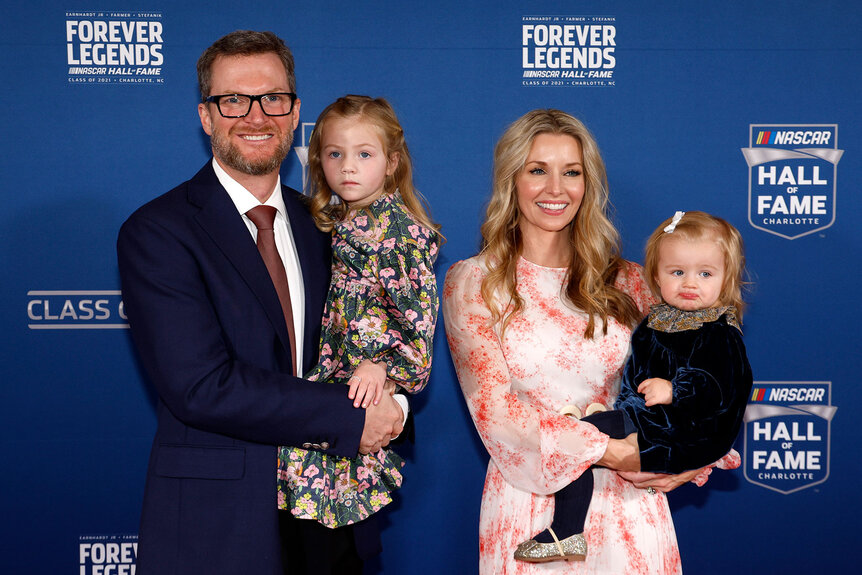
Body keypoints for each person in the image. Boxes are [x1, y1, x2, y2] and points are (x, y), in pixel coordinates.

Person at [117, 31, 405, 575]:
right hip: (221, 527)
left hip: (333, 518)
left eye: (273, 98)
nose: (256, 116)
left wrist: (395, 402)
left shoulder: (330, 225)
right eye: (234, 101)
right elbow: (200, 386)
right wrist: (349, 416)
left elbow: (382, 334)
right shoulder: (157, 232)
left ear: (295, 114)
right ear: (206, 116)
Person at [443, 109, 738, 574]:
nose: (555, 188)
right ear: (511, 180)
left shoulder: (633, 282)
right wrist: (615, 451)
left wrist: (692, 456)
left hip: (630, 509)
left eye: (572, 172)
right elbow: (497, 415)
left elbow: (709, 374)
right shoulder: (474, 283)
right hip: (531, 510)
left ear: (589, 183)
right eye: (537, 170)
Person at [512, 210, 753, 563]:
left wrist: (675, 390)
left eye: (705, 273)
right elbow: (636, 372)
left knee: (581, 439)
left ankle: (565, 530)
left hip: (683, 433)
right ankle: (569, 531)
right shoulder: (658, 320)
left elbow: (725, 387)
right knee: (579, 435)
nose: (690, 283)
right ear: (656, 275)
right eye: (677, 272)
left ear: (726, 279)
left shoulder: (719, 332)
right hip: (645, 420)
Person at [276, 95, 440, 528]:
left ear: (392, 163)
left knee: (332, 537)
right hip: (328, 389)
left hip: (360, 396)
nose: (348, 167)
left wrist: (382, 366)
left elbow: (418, 328)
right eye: (335, 154)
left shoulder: (399, 234)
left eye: (364, 154)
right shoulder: (332, 222)